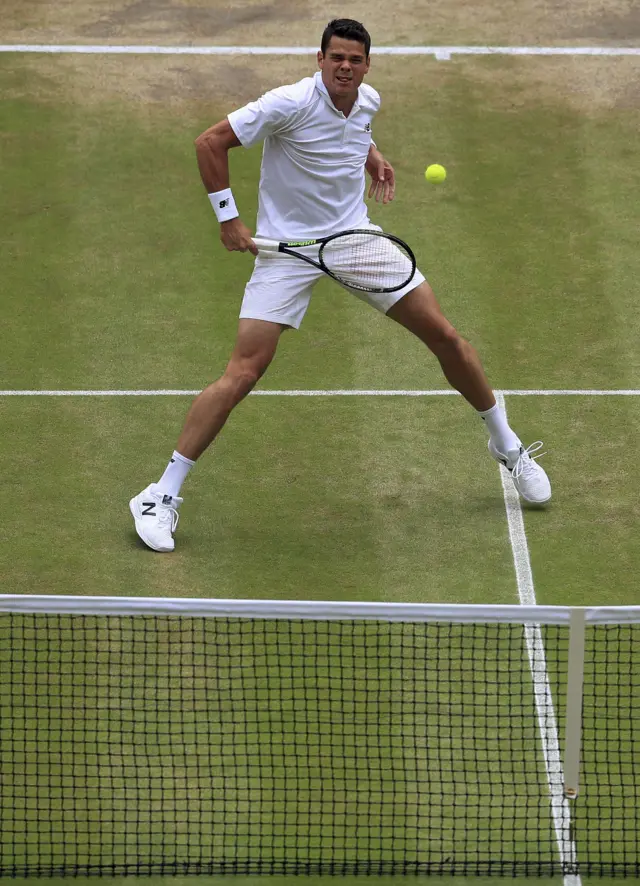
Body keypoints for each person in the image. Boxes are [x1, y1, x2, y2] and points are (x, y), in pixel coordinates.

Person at [130, 18, 551, 553]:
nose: (345, 67)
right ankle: (158, 496)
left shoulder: (367, 100)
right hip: (287, 252)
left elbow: (354, 131)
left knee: (445, 336)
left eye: (355, 59)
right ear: (320, 59)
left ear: (367, 65)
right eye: (337, 58)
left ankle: (509, 447)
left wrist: (370, 155)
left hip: (353, 240)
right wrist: (228, 219)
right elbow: (209, 142)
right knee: (243, 372)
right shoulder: (286, 102)